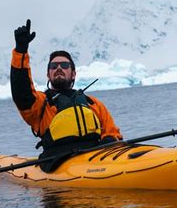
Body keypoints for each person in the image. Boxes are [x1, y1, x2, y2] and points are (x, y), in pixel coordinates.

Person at [10, 19, 122, 170]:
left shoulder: (93, 103)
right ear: (48, 75)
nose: (59, 68)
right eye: (53, 66)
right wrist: (21, 51)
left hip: (95, 159)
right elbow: (21, 91)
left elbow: (112, 133)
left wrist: (109, 140)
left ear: (74, 73)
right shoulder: (40, 104)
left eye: (64, 65)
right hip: (57, 163)